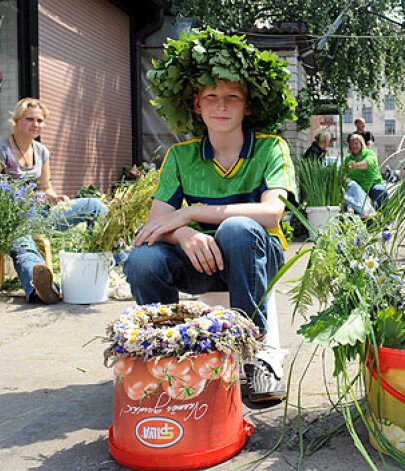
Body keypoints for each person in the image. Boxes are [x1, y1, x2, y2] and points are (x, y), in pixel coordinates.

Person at [123, 31, 298, 403]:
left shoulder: (271, 148)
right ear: (197, 105)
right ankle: (166, 354)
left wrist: (191, 213)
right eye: (211, 97)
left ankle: (254, 353)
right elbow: (153, 229)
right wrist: (185, 234)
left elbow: (272, 213)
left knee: (236, 229)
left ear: (247, 106)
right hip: (200, 262)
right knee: (142, 259)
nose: (222, 105)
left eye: (232, 96)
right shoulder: (180, 156)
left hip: (257, 259)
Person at [0, 98, 106, 304]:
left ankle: (99, 265)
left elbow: (45, 187)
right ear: (16, 120)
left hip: (41, 213)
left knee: (94, 206)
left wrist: (56, 197)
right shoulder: (3, 150)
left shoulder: (41, 151)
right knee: (24, 244)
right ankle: (43, 288)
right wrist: (17, 201)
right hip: (13, 218)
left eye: (40, 120)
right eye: (29, 119)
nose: (35, 125)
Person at [345, 134, 389, 214]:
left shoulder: (369, 153)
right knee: (347, 200)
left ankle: (387, 222)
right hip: (359, 188)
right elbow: (345, 173)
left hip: (373, 185)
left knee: (381, 192)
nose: (354, 146)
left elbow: (368, 163)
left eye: (356, 143)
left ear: (361, 144)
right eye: (351, 144)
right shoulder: (348, 158)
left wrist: (356, 165)